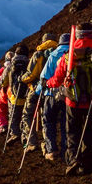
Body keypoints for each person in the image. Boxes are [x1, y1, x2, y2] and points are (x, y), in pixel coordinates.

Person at [46, 23, 92, 174]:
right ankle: (87, 164)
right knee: (91, 133)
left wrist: (48, 83)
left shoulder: (68, 56)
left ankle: (73, 161)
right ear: (91, 34)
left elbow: (58, 79)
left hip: (72, 101)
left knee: (72, 132)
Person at [20, 34, 57, 150]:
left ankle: (32, 142)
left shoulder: (39, 54)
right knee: (45, 117)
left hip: (36, 89)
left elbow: (31, 75)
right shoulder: (58, 52)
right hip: (53, 90)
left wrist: (22, 79)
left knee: (27, 114)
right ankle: (48, 146)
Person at [39, 33, 71, 161]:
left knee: (49, 122)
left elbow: (44, 77)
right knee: (65, 123)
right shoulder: (73, 54)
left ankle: (51, 150)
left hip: (51, 94)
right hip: (68, 95)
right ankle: (66, 150)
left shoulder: (53, 55)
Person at [2, 44, 31, 145]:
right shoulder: (29, 63)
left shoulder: (11, 65)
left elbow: (3, 82)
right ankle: (25, 136)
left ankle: (14, 133)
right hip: (26, 97)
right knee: (25, 117)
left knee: (13, 117)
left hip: (13, 97)